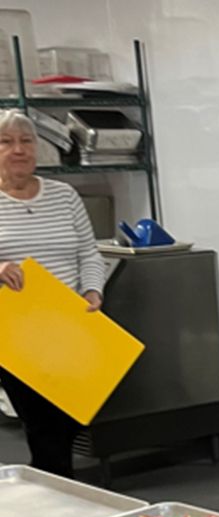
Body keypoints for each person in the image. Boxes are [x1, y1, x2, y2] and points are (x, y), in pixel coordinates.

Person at [0, 110, 105, 478]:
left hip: (69, 328)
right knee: (43, 425)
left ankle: (52, 484)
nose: (18, 150)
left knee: (71, 419)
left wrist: (93, 289)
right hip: (16, 337)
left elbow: (89, 253)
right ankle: (56, 488)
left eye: (26, 141)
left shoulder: (64, 195)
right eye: (6, 142)